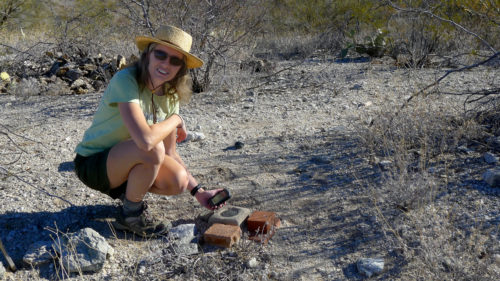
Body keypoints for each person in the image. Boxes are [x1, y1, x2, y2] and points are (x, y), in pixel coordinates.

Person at [74, 25, 224, 237]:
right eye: (160, 54)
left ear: (181, 68)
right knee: (152, 149)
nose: (166, 63)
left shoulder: (170, 96)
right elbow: (145, 141)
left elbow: (171, 153)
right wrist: (176, 120)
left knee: (178, 180)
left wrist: (198, 191)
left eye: (175, 60)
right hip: (94, 163)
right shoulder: (126, 80)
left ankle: (130, 195)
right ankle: (130, 216)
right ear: (148, 55)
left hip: (127, 163)